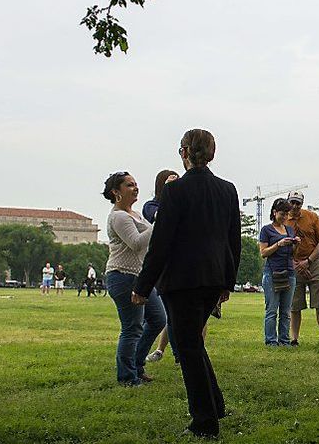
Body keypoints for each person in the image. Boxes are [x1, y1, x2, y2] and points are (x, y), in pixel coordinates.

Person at [133, 129, 241, 438]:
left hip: (182, 280)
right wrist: (227, 282)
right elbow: (234, 240)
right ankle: (215, 404)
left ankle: (204, 421)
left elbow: (162, 244)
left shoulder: (175, 192)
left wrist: (142, 286)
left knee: (187, 346)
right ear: (212, 154)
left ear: (183, 153)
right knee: (192, 341)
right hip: (214, 277)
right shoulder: (227, 190)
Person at [102, 171, 167, 386]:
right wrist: (160, 222)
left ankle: (137, 365)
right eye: (129, 185)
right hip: (122, 276)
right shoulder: (118, 216)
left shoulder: (136, 214)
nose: (135, 188)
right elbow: (137, 243)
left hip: (140, 277)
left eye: (136, 184)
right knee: (132, 327)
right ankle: (127, 377)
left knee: (158, 319)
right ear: (116, 192)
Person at [143, 169, 179, 362]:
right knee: (163, 315)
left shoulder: (182, 205)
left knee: (174, 315)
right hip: (160, 266)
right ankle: (151, 353)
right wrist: (168, 192)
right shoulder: (150, 206)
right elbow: (160, 217)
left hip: (178, 264)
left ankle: (177, 354)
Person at [286, 191, 319, 348]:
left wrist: (308, 261)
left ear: (302, 204)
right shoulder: (285, 220)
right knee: (295, 304)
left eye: (298, 203)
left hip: (314, 261)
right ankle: (294, 338)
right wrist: (296, 263)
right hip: (294, 263)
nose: (295, 206)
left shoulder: (312, 217)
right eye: (292, 202)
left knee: (318, 302)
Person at [259, 198, 298, 346]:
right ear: (274, 212)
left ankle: (284, 340)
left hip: (289, 273)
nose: (285, 217)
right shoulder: (266, 230)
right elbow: (263, 253)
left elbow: (293, 254)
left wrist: (296, 244)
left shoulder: (290, 230)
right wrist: (278, 244)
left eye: (287, 214)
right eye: (282, 213)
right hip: (272, 273)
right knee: (271, 310)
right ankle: (271, 341)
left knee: (286, 311)